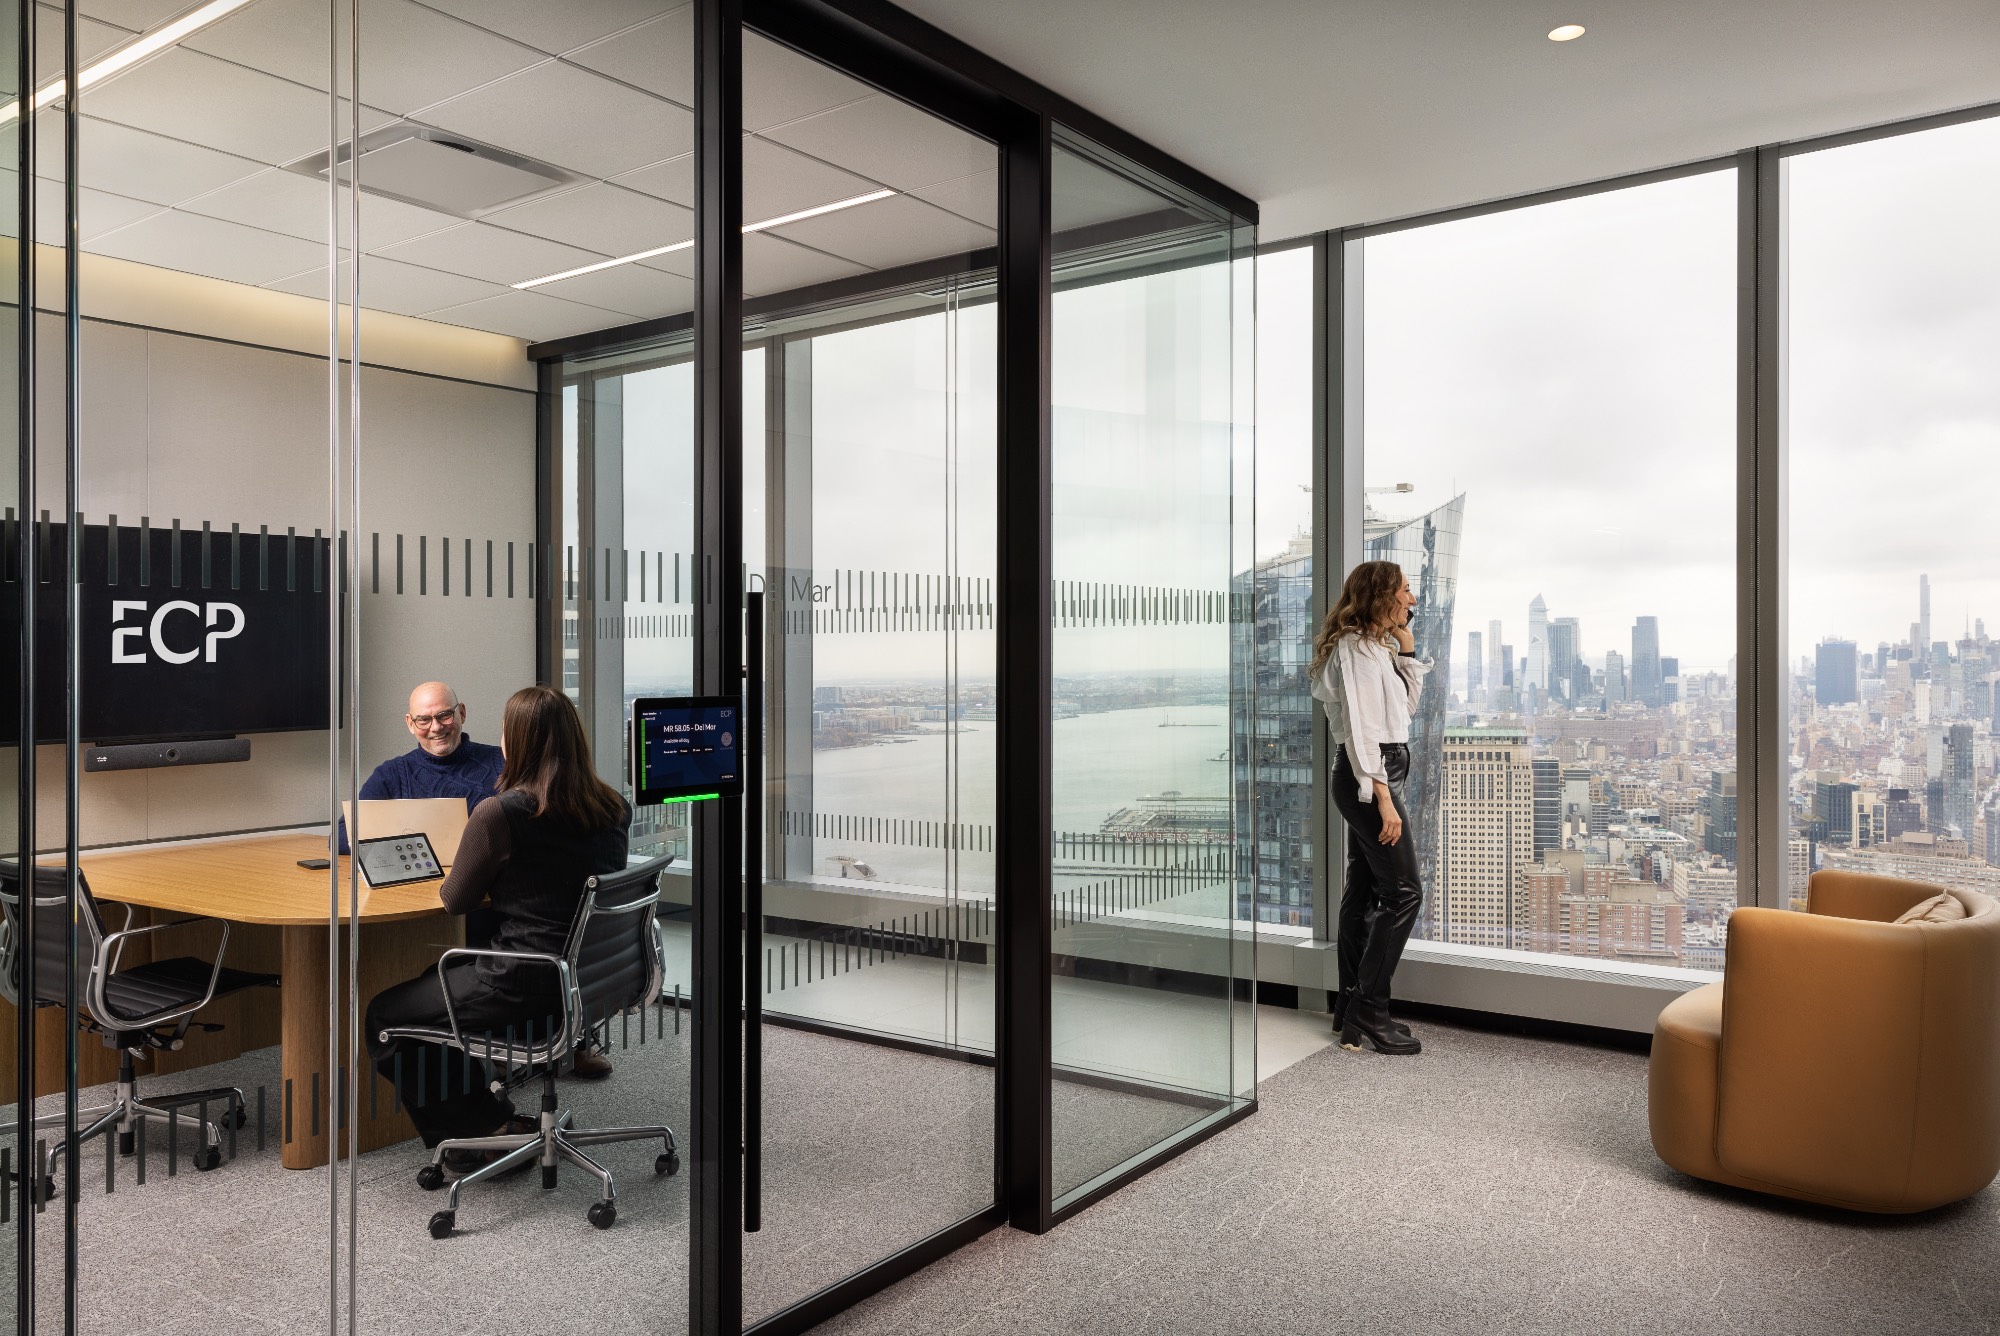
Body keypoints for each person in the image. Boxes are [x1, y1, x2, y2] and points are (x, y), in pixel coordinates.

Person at [364, 685, 633, 1166]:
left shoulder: (502, 811)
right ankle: (490, 1115)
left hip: (521, 982)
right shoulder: (612, 805)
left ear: (519, 742)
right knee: (433, 983)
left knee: (387, 1017)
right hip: (587, 981)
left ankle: (479, 1132)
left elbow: (455, 901)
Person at [1308, 560, 1431, 1056]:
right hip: (1367, 776)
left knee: (1364, 892)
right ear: (1383, 593)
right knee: (1404, 893)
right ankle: (1369, 1009)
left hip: (1381, 768)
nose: (1412, 600)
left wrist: (1407, 650)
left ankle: (1349, 1012)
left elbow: (1404, 712)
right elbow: (1361, 730)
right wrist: (1382, 797)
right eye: (1405, 590)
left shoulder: (1376, 647)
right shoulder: (1355, 648)